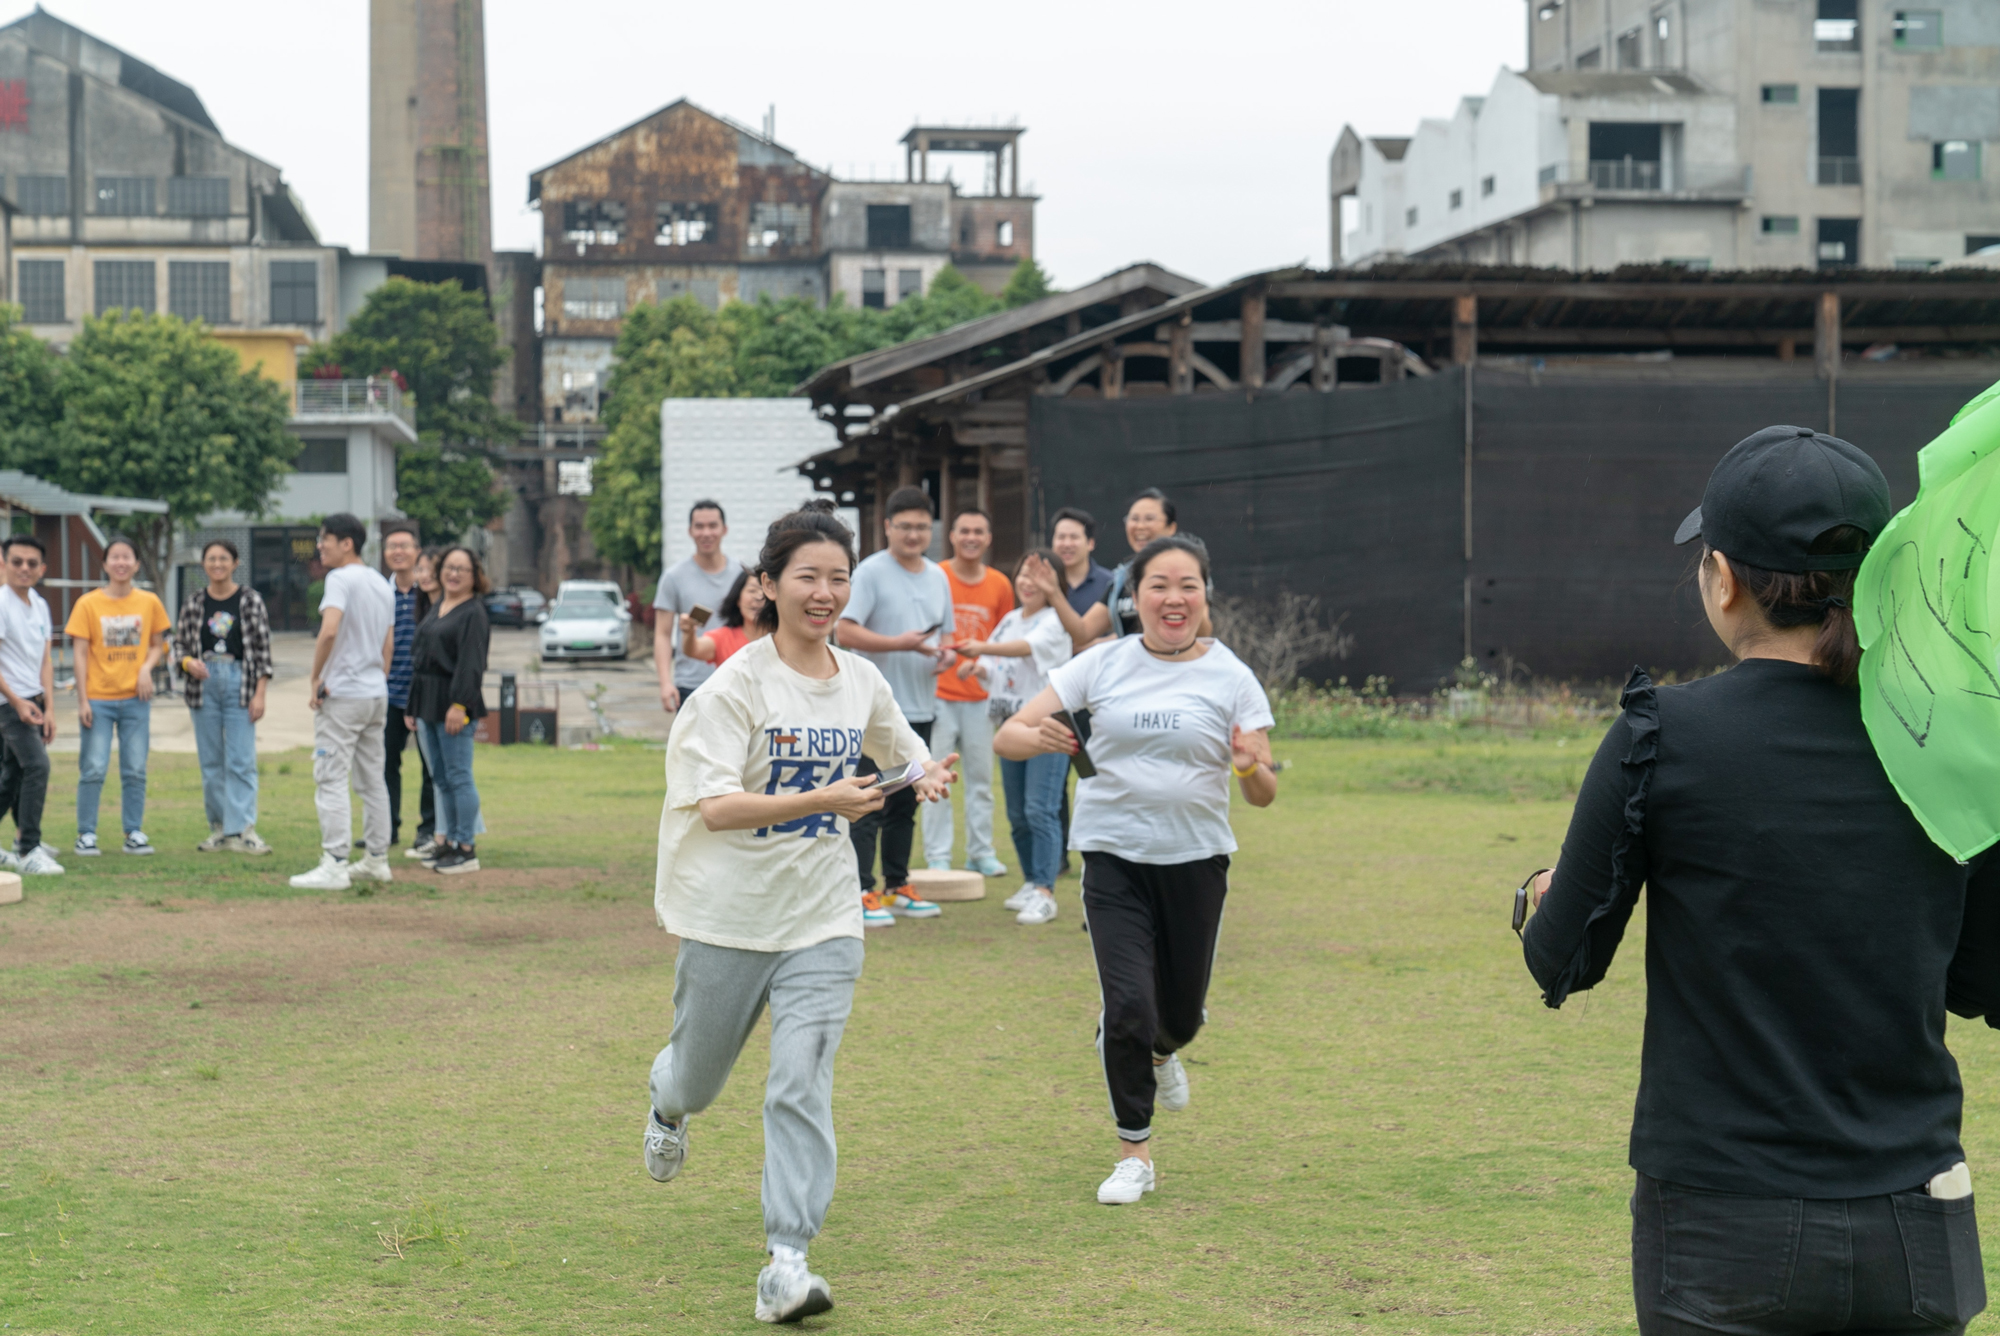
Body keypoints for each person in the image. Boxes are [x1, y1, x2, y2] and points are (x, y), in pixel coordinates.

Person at [1519, 426, 1999, 1336]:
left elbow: (1564, 958)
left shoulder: (1662, 737)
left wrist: (1541, 894)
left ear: (1725, 579)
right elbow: (1982, 979)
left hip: (1720, 1222)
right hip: (1918, 1221)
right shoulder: (1954, 740)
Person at [644, 503, 956, 1324]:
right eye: (808, 577)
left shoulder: (860, 678)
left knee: (801, 1084)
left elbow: (900, 749)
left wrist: (921, 775)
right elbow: (714, 807)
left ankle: (787, 1260)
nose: (825, 593)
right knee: (699, 1079)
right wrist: (826, 795)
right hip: (731, 916)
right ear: (769, 586)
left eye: (838, 578)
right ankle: (666, 1103)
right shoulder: (732, 687)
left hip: (824, 915)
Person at [996, 535, 1276, 1205]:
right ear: (1135, 596)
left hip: (1196, 861)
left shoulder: (1231, 675)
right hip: (1113, 859)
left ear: (1205, 595)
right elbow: (1009, 735)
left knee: (1178, 1017)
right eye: (1159, 585)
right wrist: (1042, 736)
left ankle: (1163, 1049)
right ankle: (1135, 1153)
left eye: (1187, 586)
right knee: (1126, 1007)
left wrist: (1243, 763)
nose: (1173, 598)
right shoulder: (1102, 662)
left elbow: (1263, 790)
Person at [836, 486, 953, 926]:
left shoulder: (939, 576)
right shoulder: (868, 573)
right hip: (873, 714)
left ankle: (897, 884)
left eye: (922, 527)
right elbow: (844, 631)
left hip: (921, 707)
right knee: (870, 801)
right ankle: (861, 890)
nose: (913, 534)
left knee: (907, 802)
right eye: (904, 526)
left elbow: (946, 639)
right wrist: (897, 643)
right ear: (887, 527)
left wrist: (945, 656)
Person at [959, 550, 1072, 925]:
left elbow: (1026, 649)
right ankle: (1030, 881)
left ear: (1054, 583)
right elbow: (995, 667)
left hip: (1046, 728)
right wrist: (974, 666)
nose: (1028, 582)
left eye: (1038, 576)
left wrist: (981, 648)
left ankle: (1045, 890)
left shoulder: (1055, 621)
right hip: (1010, 728)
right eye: (1024, 573)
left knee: (1041, 808)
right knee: (1018, 813)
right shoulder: (1009, 620)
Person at [290, 513, 397, 892]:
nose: (320, 547)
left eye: (325, 540)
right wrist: (374, 677)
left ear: (346, 543)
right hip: (373, 693)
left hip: (344, 694)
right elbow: (388, 645)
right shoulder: (382, 583)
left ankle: (334, 863)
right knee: (372, 780)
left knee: (331, 777)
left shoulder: (339, 579)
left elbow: (329, 630)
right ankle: (376, 859)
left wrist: (316, 677)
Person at [921, 507, 1014, 878]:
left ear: (988, 538)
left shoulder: (1000, 584)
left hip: (980, 699)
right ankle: (938, 856)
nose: (971, 537)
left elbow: (1004, 638)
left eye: (979, 531)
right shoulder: (936, 575)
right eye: (964, 531)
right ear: (953, 536)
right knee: (935, 778)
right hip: (938, 694)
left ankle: (981, 852)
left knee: (980, 781)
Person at [65, 536, 170, 856]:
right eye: (115, 557)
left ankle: (134, 831)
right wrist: (82, 700)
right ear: (105, 564)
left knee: (135, 768)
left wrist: (145, 669)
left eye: (127, 557)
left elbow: (159, 646)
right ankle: (86, 834)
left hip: (136, 701)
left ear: (136, 564)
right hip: (98, 699)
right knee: (94, 767)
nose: (121, 563)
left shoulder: (149, 602)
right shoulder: (88, 603)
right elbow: (80, 655)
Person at [174, 540, 273, 855]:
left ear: (235, 563)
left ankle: (244, 831)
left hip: (239, 681)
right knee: (211, 762)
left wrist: (260, 693)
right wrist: (188, 663)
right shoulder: (193, 603)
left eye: (223, 559)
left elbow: (262, 651)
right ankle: (219, 829)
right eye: (211, 559)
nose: (217, 564)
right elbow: (178, 646)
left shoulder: (249, 601)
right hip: (203, 684)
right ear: (204, 564)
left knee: (241, 760)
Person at [407, 545, 491, 875]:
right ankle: (449, 841)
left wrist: (459, 705)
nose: (454, 574)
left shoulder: (473, 612)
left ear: (474, 577)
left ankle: (466, 847)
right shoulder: (438, 605)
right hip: (426, 701)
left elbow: (472, 665)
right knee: (440, 778)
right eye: (449, 568)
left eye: (462, 569)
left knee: (458, 776)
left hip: (453, 703)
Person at [0, 536, 62, 874]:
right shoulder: (1, 603)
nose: (24, 568)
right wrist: (17, 702)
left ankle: (26, 844)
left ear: (42, 569)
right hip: (9, 703)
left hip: (35, 700)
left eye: (32, 563)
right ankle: (29, 848)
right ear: (5, 563)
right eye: (17, 561)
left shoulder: (38, 604)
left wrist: (49, 707)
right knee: (37, 766)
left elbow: (45, 661)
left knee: (12, 775)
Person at [1078, 488, 1211, 643]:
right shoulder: (1121, 579)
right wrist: (1054, 593)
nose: (1140, 526)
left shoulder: (1188, 570)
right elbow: (1083, 632)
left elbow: (1204, 633)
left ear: (1171, 528)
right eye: (1134, 519)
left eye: (1149, 519)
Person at [653, 500, 746, 713]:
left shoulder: (742, 576)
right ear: (690, 531)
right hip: (690, 685)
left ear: (724, 530)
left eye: (713, 526)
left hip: (736, 681)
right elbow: (662, 634)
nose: (706, 533)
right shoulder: (673, 577)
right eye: (699, 526)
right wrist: (666, 683)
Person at [379, 522, 433, 854]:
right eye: (392, 547)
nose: (398, 552)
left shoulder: (428, 594)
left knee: (431, 764)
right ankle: (386, 828)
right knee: (385, 763)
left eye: (405, 546)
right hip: (388, 692)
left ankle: (428, 829)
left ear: (417, 551)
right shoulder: (379, 592)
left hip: (425, 693)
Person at [400, 549, 444, 859]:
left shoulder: (454, 609)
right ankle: (434, 832)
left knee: (443, 774)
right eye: (420, 569)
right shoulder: (423, 606)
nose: (424, 575)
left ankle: (443, 834)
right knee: (433, 771)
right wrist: (412, 705)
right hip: (421, 699)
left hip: (446, 702)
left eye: (430, 569)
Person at [1045, 506, 1113, 652]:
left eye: (1074, 537)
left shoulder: (1110, 583)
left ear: (1090, 543)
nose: (1067, 544)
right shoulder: (1042, 582)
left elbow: (1124, 632)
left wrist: (1093, 644)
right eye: (1061, 537)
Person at [678, 567, 768, 667]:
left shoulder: (782, 638)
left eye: (764, 592)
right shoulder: (723, 638)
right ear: (737, 598)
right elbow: (693, 650)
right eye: (752, 590)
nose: (759, 597)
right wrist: (689, 632)